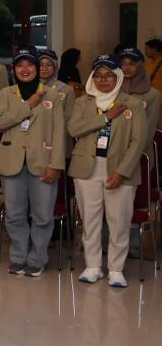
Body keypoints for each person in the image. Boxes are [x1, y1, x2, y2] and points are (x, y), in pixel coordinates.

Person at [69, 55, 150, 288]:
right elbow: (74, 129)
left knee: (119, 221)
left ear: (118, 77)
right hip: (87, 168)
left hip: (120, 169)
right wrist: (105, 117)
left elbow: (138, 141)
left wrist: (122, 172)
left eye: (108, 75)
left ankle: (116, 269)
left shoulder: (132, 104)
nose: (103, 80)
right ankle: (93, 265)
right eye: (99, 75)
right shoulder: (83, 102)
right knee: (90, 220)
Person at [0, 47, 67, 276]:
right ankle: (18, 257)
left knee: (43, 215)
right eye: (20, 65)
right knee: (14, 214)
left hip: (43, 162)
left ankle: (37, 258)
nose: (25, 69)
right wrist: (29, 104)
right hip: (12, 161)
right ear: (14, 69)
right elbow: (0, 123)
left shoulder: (52, 95)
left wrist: (55, 165)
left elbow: (58, 133)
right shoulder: (6, 94)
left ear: (37, 68)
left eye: (30, 65)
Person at [118, 46, 161, 129]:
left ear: (140, 66)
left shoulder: (153, 94)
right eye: (123, 63)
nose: (126, 67)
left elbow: (150, 126)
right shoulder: (113, 89)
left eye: (132, 64)